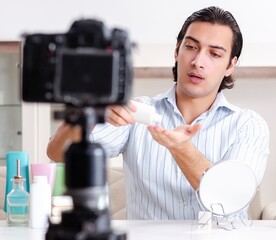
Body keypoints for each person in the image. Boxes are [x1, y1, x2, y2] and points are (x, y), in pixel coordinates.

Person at [47, 6, 270, 220]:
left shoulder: (248, 125)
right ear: (177, 50)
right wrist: (90, 113)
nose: (198, 62)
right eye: (191, 47)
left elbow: (229, 200)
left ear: (231, 65)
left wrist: (181, 149)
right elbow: (58, 153)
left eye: (214, 54)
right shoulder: (137, 112)